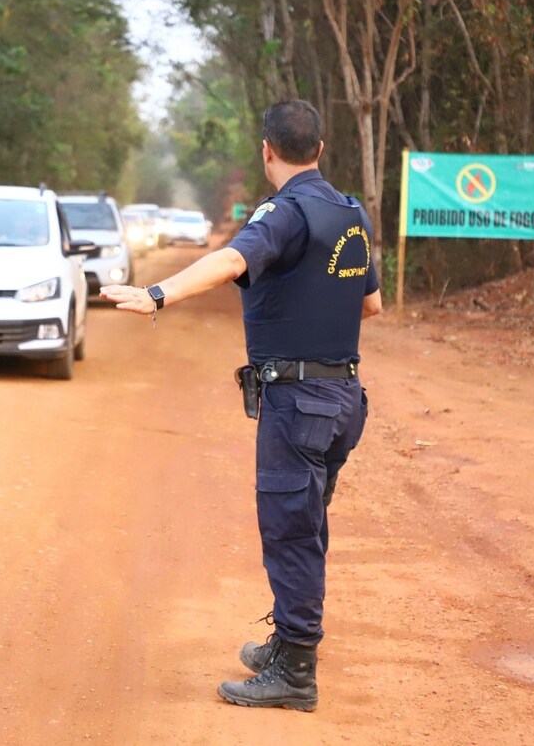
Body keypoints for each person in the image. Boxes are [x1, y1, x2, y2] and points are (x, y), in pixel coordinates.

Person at [101, 99, 382, 712]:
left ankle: (297, 672)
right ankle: (288, 642)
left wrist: (158, 292)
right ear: (322, 149)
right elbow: (371, 306)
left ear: (267, 151)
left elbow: (232, 260)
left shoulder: (283, 213)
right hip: (343, 399)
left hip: (299, 401)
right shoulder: (349, 212)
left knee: (290, 532)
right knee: (307, 525)